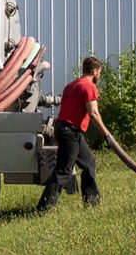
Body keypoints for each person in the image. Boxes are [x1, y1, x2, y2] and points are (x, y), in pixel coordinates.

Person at [39, 56, 105, 211]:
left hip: (65, 129)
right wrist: (106, 134)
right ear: (94, 72)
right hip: (71, 131)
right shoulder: (89, 87)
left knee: (89, 164)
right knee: (63, 171)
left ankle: (92, 203)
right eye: (99, 73)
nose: (99, 76)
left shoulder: (71, 86)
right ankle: (44, 208)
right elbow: (94, 113)